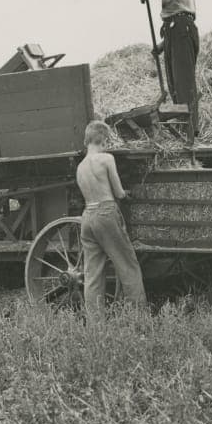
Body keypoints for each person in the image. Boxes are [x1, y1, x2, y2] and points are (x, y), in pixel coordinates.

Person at [75, 120, 147, 313]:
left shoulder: (80, 167)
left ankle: (95, 326)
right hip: (106, 213)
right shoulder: (106, 159)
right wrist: (127, 194)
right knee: (127, 265)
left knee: (92, 274)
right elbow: (119, 192)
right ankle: (139, 318)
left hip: (87, 217)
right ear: (104, 140)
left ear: (86, 140)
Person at [140, 0, 200, 137]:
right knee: (176, 84)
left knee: (182, 83)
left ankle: (190, 130)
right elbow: (177, 17)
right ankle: (185, 128)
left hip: (180, 28)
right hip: (176, 31)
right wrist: (163, 44)